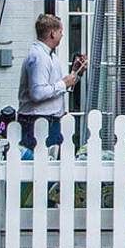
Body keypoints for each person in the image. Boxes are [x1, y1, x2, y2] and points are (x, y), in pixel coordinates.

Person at [18, 12, 85, 150]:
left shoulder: (50, 56)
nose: (62, 35)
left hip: (48, 120)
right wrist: (64, 83)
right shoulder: (39, 57)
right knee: (43, 167)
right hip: (38, 122)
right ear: (52, 33)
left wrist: (75, 73)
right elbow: (37, 93)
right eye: (61, 31)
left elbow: (53, 87)